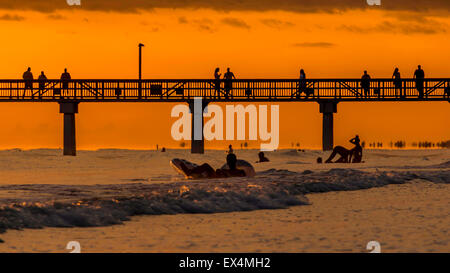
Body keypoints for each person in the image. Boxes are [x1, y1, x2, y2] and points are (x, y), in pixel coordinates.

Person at [177, 153, 246, 179]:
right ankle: (192, 171)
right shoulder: (241, 171)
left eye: (229, 160)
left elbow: (231, 177)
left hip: (217, 179)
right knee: (207, 167)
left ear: (227, 162)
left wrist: (223, 173)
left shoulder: (240, 172)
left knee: (206, 166)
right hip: (218, 178)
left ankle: (190, 172)